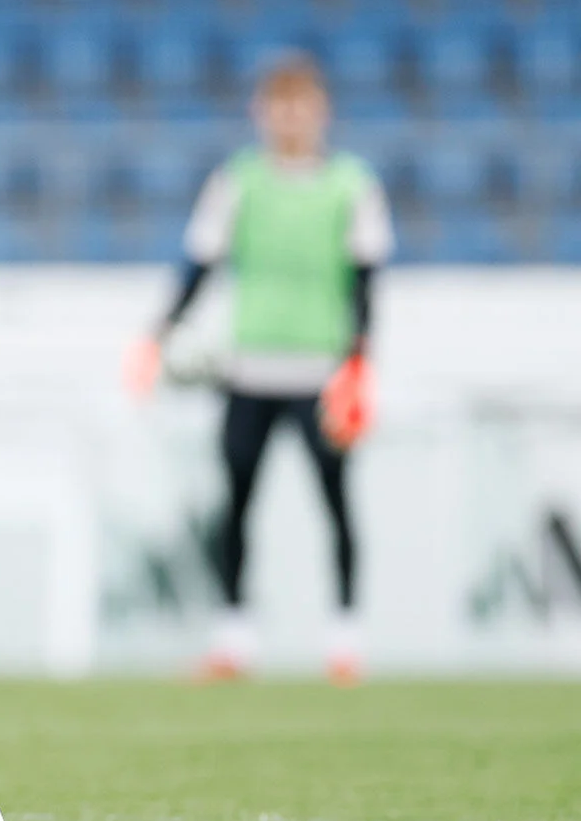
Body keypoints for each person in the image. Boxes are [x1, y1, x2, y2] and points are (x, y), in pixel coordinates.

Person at [126, 54, 393, 686]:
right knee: (238, 503)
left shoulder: (352, 185)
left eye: (301, 103)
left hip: (320, 371)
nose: (290, 116)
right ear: (262, 112)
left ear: (320, 110)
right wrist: (157, 333)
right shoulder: (239, 181)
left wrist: (359, 362)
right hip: (248, 369)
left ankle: (345, 639)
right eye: (279, 103)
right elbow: (201, 265)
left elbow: (366, 281)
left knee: (335, 501)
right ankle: (234, 639)